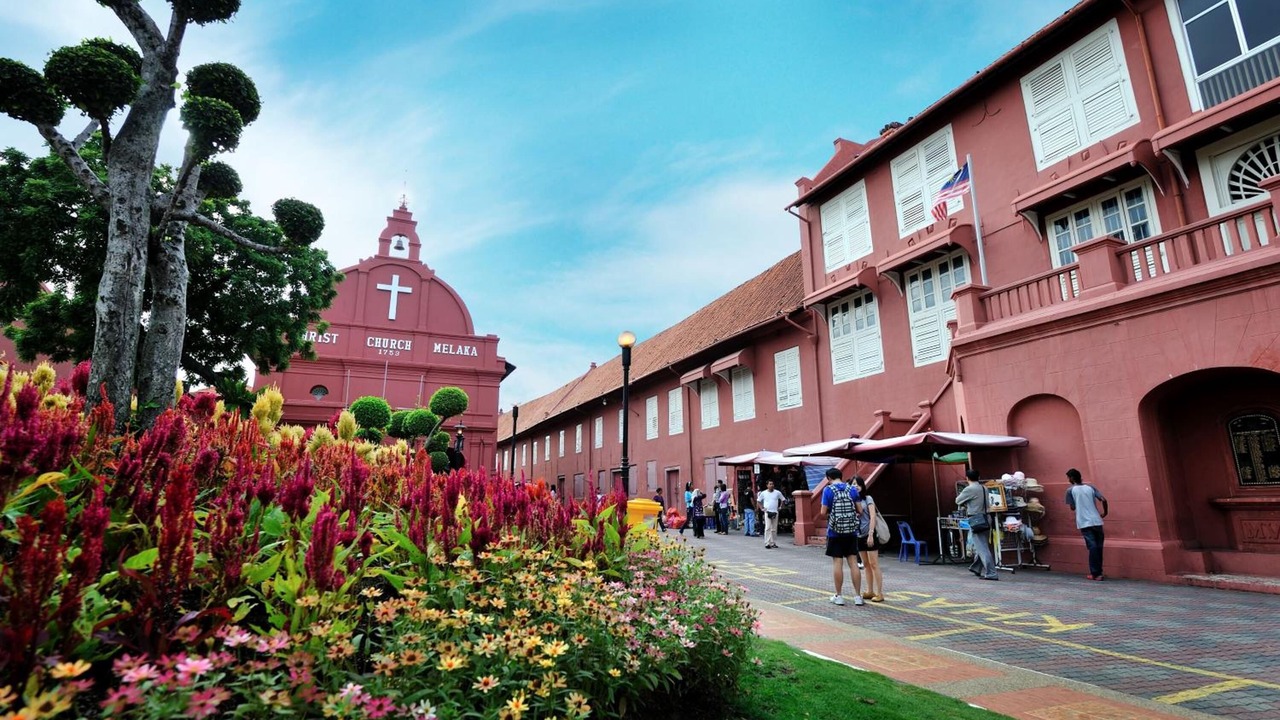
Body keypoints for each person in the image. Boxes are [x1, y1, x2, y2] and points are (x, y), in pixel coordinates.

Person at [820, 468, 864, 606]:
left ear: (828, 478)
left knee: (837, 563)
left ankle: (839, 596)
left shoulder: (828, 490)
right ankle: (858, 596)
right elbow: (860, 510)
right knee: (853, 563)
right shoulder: (852, 489)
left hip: (835, 532)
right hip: (851, 532)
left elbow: (822, 512)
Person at [1065, 468, 1108, 580]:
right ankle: (1099, 572)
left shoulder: (1070, 491)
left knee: (1092, 547)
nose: (1068, 480)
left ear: (1072, 478)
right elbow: (1103, 500)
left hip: (1084, 522)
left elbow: (1072, 507)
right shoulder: (1091, 487)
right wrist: (1105, 513)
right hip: (1097, 520)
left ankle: (1095, 573)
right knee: (1099, 547)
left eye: (1068, 478)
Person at [957, 469, 998, 580]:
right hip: (987, 517)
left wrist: (967, 503)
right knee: (983, 543)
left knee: (982, 547)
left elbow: (958, 500)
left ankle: (991, 573)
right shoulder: (984, 488)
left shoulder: (969, 489)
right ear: (979, 477)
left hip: (976, 519)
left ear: (967, 478)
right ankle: (976, 567)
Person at [853, 476, 883, 602]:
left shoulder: (868, 498)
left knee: (874, 564)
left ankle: (879, 593)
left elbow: (872, 517)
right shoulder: (853, 499)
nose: (855, 486)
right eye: (853, 484)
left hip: (869, 535)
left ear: (862, 485)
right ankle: (869, 591)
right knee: (865, 565)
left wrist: (871, 534)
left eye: (857, 484)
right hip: (859, 535)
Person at [757, 480, 785, 549]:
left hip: (775, 512)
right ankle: (767, 543)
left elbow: (783, 499)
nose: (771, 485)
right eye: (770, 484)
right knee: (768, 527)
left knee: (774, 528)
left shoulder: (777, 492)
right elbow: (758, 501)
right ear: (767, 485)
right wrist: (762, 508)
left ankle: (773, 542)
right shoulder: (763, 493)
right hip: (767, 512)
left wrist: (780, 507)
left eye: (772, 484)